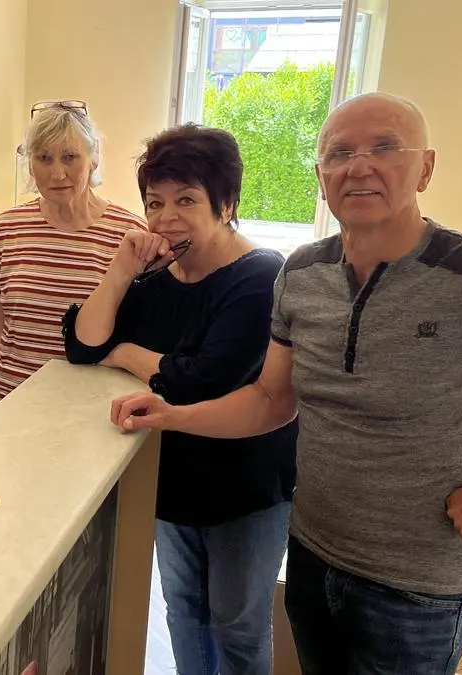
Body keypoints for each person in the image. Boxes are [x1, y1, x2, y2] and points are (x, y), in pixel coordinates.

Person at [111, 92, 462, 673]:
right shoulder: (301, 274)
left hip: (418, 585)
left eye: (384, 147)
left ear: (425, 167)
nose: (359, 165)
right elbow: (272, 401)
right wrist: (172, 416)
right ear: (321, 176)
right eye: (339, 153)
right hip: (313, 557)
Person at [65, 124, 295, 674]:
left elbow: (200, 379)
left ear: (226, 203)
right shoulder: (158, 278)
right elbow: (82, 342)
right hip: (172, 477)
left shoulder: (261, 275)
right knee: (184, 610)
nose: (166, 217)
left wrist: (126, 353)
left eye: (186, 200)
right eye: (155, 202)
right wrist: (121, 270)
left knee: (238, 621)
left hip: (246, 485)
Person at [0, 101, 146, 437]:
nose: (57, 173)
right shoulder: (7, 228)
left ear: (93, 157)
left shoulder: (128, 235)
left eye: (70, 157)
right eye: (44, 158)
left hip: (89, 415)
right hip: (7, 405)